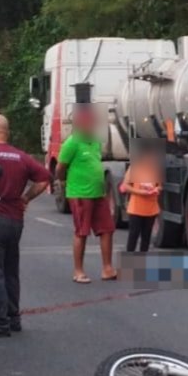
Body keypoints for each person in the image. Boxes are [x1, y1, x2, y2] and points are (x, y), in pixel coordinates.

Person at [0, 114, 50, 337]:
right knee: (9, 270)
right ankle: (13, 317)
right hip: (15, 219)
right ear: (7, 133)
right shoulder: (21, 156)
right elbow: (44, 178)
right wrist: (26, 198)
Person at [55, 106, 117, 283]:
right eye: (89, 122)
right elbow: (60, 168)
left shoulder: (95, 142)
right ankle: (78, 271)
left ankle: (107, 268)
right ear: (80, 124)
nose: (92, 125)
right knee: (82, 232)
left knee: (107, 229)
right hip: (80, 194)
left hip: (98, 193)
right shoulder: (72, 143)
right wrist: (65, 183)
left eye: (93, 122)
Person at [120, 150, 162, 252]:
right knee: (133, 236)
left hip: (151, 209)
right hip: (136, 209)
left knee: (146, 238)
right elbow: (125, 186)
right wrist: (140, 192)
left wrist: (157, 189)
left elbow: (159, 185)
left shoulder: (155, 169)